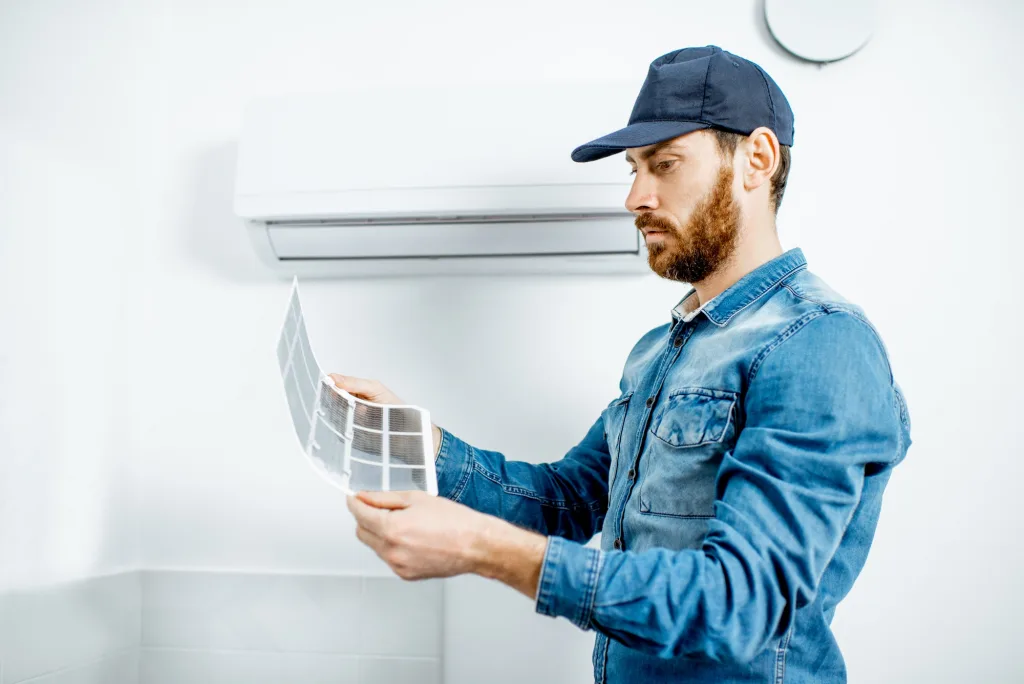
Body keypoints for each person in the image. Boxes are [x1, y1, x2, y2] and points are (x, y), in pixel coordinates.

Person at [334, 45, 911, 684]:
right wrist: (416, 441)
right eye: (635, 169)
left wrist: (481, 548)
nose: (636, 196)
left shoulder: (820, 342)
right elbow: (565, 502)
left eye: (665, 164)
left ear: (758, 158)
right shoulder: (660, 351)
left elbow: (738, 603)